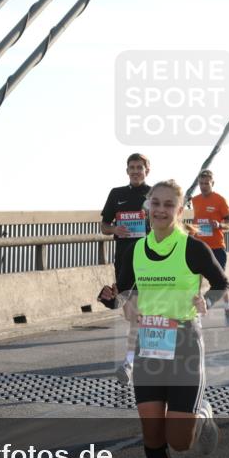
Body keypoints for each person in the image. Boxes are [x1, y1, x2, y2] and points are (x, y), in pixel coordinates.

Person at [99, 180, 229, 458]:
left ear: (180, 210)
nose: (160, 210)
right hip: (149, 346)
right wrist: (117, 301)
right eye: (155, 203)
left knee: (180, 442)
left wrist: (206, 300)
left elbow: (221, 283)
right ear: (147, 207)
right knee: (153, 433)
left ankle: (202, 413)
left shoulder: (193, 248)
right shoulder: (134, 250)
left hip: (185, 344)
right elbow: (126, 291)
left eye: (168, 204)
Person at [101, 153, 152, 385]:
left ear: (147, 170)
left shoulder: (154, 195)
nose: (135, 171)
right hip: (123, 262)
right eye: (132, 167)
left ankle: (129, 363)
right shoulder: (116, 194)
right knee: (132, 315)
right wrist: (115, 230)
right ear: (127, 171)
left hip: (149, 262)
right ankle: (137, 357)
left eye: (139, 167)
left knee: (142, 315)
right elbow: (104, 226)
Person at [192, 169, 229, 326]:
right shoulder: (195, 200)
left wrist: (219, 225)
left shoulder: (220, 200)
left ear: (212, 183)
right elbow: (196, 221)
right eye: (201, 183)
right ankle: (197, 315)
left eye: (207, 183)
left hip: (217, 247)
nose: (204, 186)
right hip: (199, 247)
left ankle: (228, 306)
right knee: (195, 282)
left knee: (219, 282)